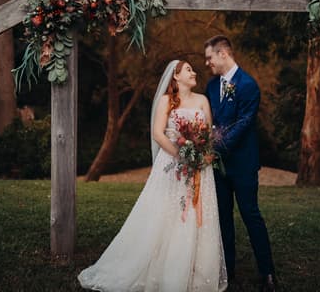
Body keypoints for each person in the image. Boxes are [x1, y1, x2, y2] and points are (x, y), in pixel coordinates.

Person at [78, 60, 227, 292]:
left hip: (200, 168)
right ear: (176, 76)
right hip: (172, 164)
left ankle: (198, 273)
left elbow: (209, 133)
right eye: (188, 70)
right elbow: (158, 134)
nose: (194, 72)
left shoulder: (202, 100)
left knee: (196, 215)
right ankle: (164, 268)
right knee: (167, 214)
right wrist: (182, 155)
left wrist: (203, 155)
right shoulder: (167, 101)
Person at [204, 35, 276, 292]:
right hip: (217, 167)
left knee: (250, 214)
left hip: (243, 164)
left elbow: (245, 123)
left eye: (209, 57)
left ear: (223, 53)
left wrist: (216, 147)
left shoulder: (248, 85)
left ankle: (267, 272)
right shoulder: (211, 87)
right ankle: (228, 270)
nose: (207, 63)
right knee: (222, 217)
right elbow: (208, 120)